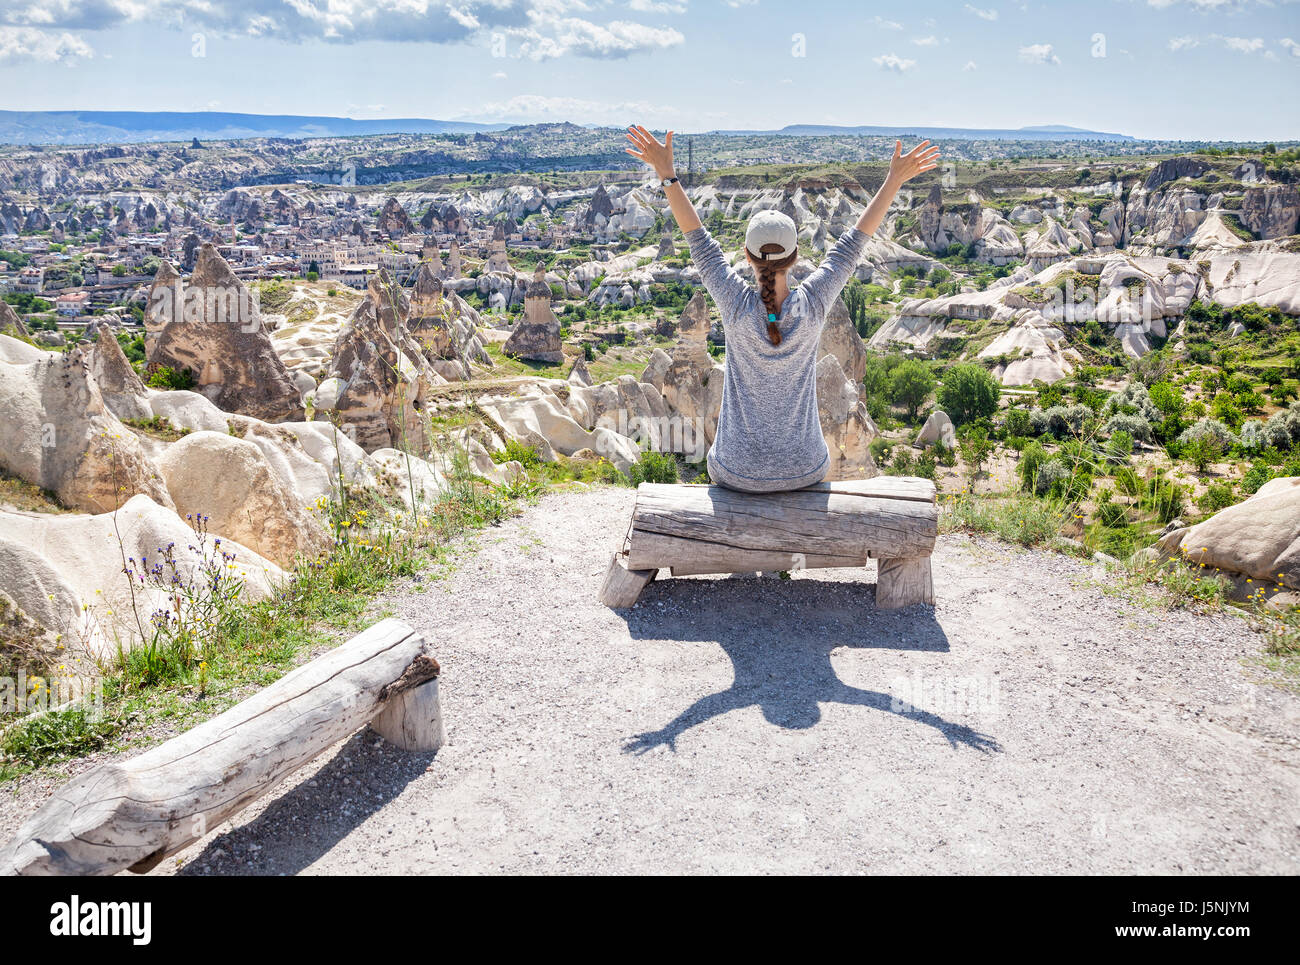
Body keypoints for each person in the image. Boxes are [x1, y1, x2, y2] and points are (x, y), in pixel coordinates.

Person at [625, 124, 939, 493]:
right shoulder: (815, 303)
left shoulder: (734, 304)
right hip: (804, 470)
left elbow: (700, 243)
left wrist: (667, 175)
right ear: (795, 257)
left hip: (735, 471)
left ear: (746, 256)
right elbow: (852, 245)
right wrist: (894, 179)